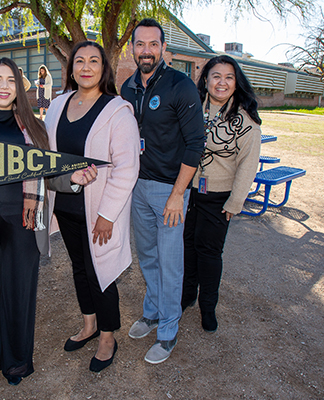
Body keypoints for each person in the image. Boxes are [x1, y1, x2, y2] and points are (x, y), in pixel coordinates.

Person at [0, 57, 97, 390]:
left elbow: (50, 176)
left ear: (19, 87)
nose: (3, 86)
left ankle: (16, 362)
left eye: (11, 80)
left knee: (18, 296)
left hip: (22, 225)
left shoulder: (33, 127)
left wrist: (76, 179)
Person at [45, 41, 140, 372]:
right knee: (79, 267)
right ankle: (88, 324)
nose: (86, 67)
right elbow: (48, 155)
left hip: (99, 211)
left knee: (102, 272)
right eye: (79, 61)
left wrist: (107, 214)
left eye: (94, 61)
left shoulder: (117, 110)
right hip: (65, 204)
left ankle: (107, 336)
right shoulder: (57, 106)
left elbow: (127, 168)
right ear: (71, 68)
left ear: (104, 68)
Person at [120, 18, 205, 364]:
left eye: (153, 44)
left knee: (170, 264)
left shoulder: (180, 86)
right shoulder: (127, 88)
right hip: (137, 188)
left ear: (164, 48)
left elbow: (195, 144)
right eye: (140, 44)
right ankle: (152, 312)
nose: (147, 51)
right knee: (149, 257)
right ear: (132, 49)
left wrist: (177, 194)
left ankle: (168, 330)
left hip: (171, 190)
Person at [182, 55, 261, 332]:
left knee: (209, 253)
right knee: (186, 247)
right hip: (187, 192)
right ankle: (186, 295)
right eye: (216, 76)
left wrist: (235, 201)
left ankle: (208, 306)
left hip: (219, 197)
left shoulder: (245, 118)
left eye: (229, 77)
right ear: (206, 79)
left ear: (236, 82)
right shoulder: (192, 107)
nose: (222, 82)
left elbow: (248, 163)